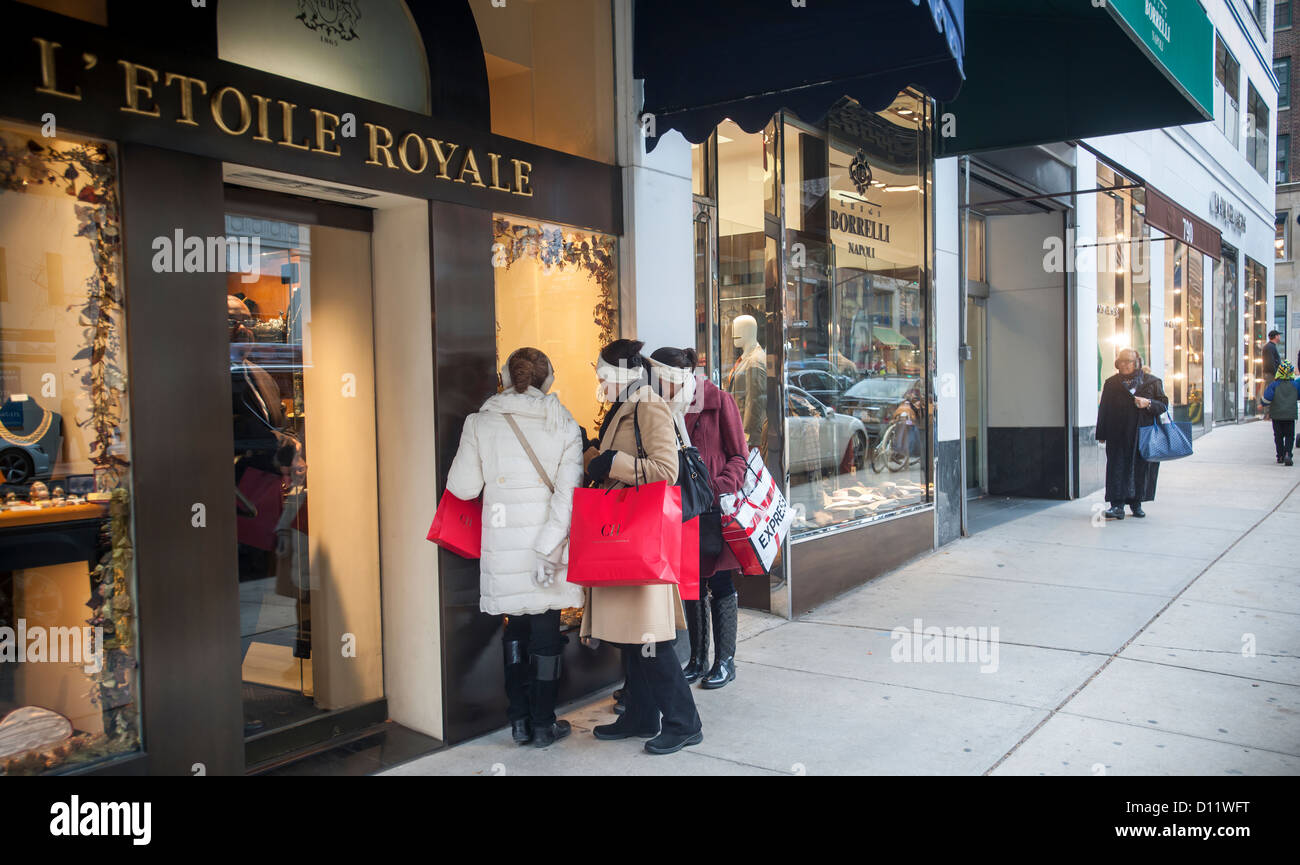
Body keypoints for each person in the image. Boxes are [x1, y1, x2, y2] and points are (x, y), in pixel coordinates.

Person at [445, 347, 585, 748]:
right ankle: (543, 724)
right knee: (545, 634)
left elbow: (463, 487)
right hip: (549, 546)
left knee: (515, 631)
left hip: (503, 545)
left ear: (505, 378)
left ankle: (518, 721)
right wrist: (545, 545)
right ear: (547, 380)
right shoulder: (563, 423)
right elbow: (568, 496)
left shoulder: (480, 423)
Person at [581, 339, 703, 755]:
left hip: (639, 534)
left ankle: (685, 723)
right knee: (633, 638)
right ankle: (640, 715)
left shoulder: (647, 405)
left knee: (650, 638)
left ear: (619, 374)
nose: (598, 382)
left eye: (601, 375)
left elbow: (666, 471)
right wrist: (594, 455)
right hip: (625, 534)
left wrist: (611, 462)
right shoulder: (628, 405)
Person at [649, 346, 748, 689]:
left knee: (720, 581)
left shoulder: (718, 401)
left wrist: (719, 487)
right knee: (690, 585)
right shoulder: (660, 408)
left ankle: (725, 660)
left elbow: (739, 455)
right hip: (681, 508)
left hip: (714, 507)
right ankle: (696, 658)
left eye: (661, 377)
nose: (657, 383)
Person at [1096, 348, 1168, 520]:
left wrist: (1148, 403)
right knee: (1116, 468)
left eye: (1129, 361)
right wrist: (1102, 433)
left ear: (1137, 363)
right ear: (1117, 363)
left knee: (1140, 469)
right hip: (1117, 434)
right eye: (1122, 361)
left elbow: (1163, 405)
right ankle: (1117, 506)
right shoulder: (1111, 383)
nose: (1125, 365)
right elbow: (1104, 409)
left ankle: (1137, 503)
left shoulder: (1151, 382)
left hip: (1142, 434)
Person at [1261, 360, 1298, 466]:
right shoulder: (1295, 385)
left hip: (1277, 415)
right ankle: (1287, 454)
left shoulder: (1274, 385)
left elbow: (1266, 399)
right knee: (1290, 436)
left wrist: (1262, 404)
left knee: (1278, 436)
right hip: (1290, 416)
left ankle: (1280, 456)